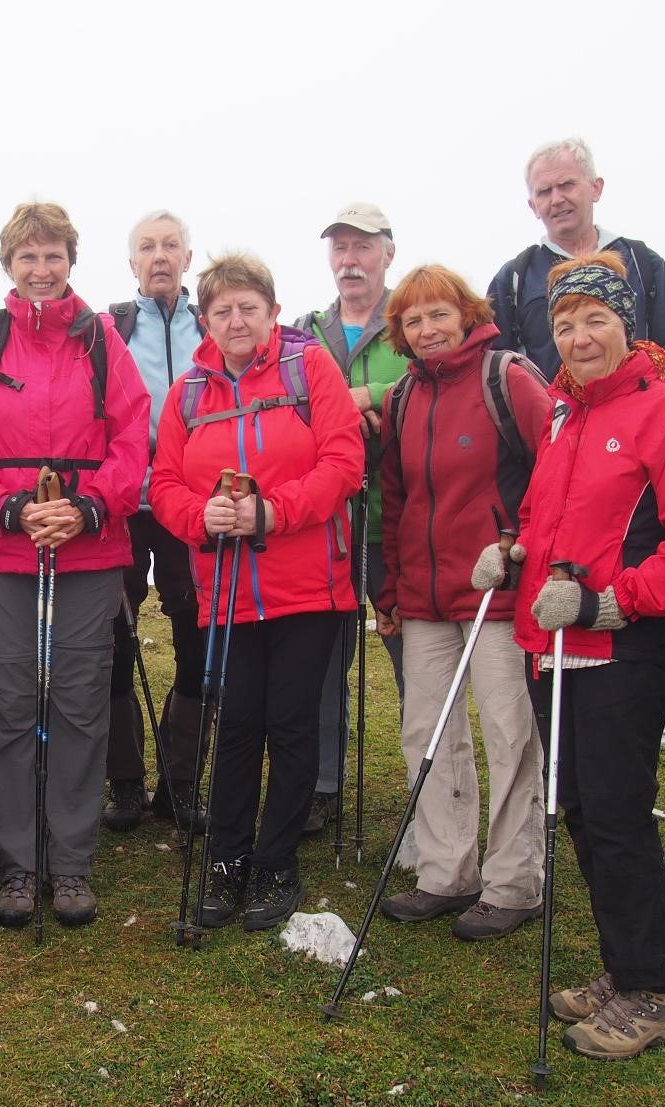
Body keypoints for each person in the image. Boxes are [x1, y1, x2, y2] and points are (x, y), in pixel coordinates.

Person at [483, 251, 665, 1060]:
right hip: (550, 641)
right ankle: (624, 967)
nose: (578, 336)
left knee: (618, 815)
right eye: (563, 323)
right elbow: (546, 517)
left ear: (627, 324)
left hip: (619, 643)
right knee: (581, 811)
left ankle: (652, 990)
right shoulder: (562, 413)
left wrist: (611, 603)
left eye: (594, 319)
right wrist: (514, 552)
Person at [0, 201, 150, 928]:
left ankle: (72, 861)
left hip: (88, 550)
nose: (41, 268)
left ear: (70, 261)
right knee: (8, 703)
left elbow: (133, 435)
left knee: (80, 702)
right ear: (8, 264)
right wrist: (5, 508)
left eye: (52, 255)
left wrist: (89, 507)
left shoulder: (101, 341)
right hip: (2, 551)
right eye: (27, 256)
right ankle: (19, 862)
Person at [150, 252, 363, 929]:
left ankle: (275, 863)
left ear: (272, 312)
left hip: (308, 585)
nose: (236, 320)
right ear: (205, 320)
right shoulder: (188, 394)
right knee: (238, 723)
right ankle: (226, 859)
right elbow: (163, 485)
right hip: (227, 590)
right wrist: (201, 517)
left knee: (291, 723)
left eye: (248, 307)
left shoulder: (309, 370)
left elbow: (344, 462)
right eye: (222, 310)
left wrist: (270, 512)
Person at [371, 265, 550, 941]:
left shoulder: (508, 378)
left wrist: (521, 546)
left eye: (438, 314)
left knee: (509, 733)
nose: (427, 330)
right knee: (426, 733)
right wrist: (390, 587)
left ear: (467, 314)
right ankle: (446, 872)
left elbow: (555, 471)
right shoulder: (403, 397)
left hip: (497, 591)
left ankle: (514, 883)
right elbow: (395, 498)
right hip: (424, 596)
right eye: (412, 320)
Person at [294, 204, 411, 837]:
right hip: (325, 527)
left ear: (388, 253)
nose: (350, 260)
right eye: (340, 248)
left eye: (363, 247)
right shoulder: (305, 332)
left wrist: (375, 399)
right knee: (320, 664)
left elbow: (442, 381)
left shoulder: (413, 322)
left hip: (398, 524)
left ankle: (429, 789)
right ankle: (321, 785)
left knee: (413, 661)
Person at [101, 210, 208, 833]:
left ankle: (180, 781)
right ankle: (124, 780)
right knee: (114, 641)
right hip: (121, 504)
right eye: (148, 247)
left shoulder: (212, 322)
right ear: (132, 262)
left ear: (188, 258)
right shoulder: (108, 328)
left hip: (189, 504)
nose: (160, 256)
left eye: (171, 246)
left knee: (197, 638)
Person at [487, 138, 665, 393]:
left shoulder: (643, 262)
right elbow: (492, 373)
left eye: (566, 185)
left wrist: (636, 399)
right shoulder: (513, 279)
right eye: (544, 191)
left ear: (596, 188)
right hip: (550, 418)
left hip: (638, 414)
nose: (556, 199)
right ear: (533, 205)